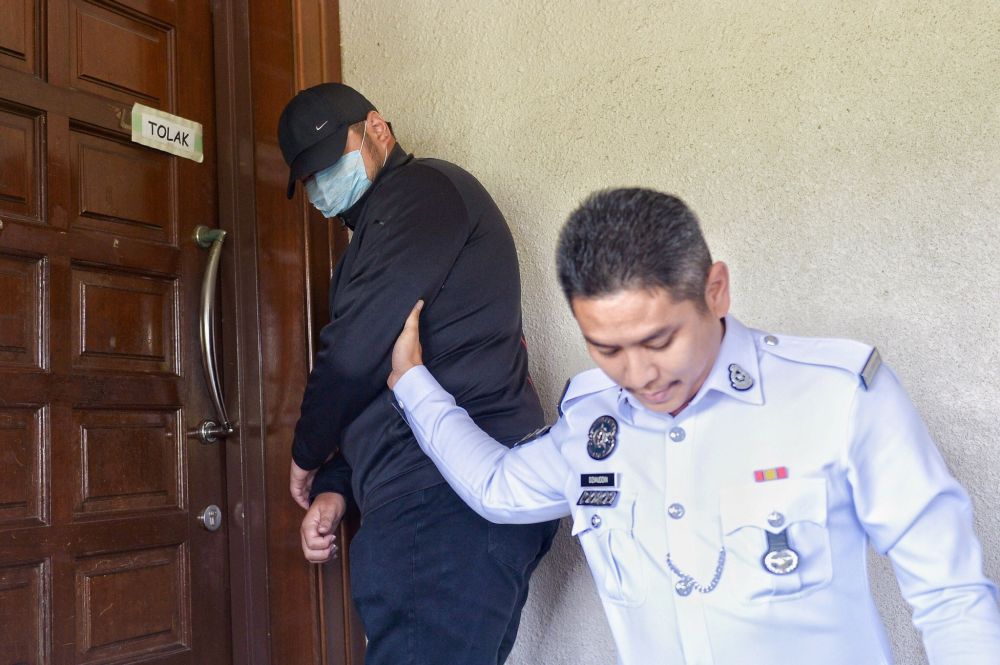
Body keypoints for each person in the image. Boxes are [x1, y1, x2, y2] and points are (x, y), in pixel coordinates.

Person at [387, 188, 1000, 665]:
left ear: (716, 291)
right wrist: (412, 383)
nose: (639, 373)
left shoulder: (837, 395)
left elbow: (950, 596)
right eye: (607, 348)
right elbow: (497, 488)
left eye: (660, 339)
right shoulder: (592, 420)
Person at [277, 82, 558, 664]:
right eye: (310, 179)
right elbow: (380, 379)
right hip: (432, 502)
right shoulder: (380, 235)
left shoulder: (421, 192)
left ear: (378, 129)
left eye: (331, 163)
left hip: (442, 503)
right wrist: (337, 486)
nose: (321, 185)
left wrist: (307, 455)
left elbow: (355, 354)